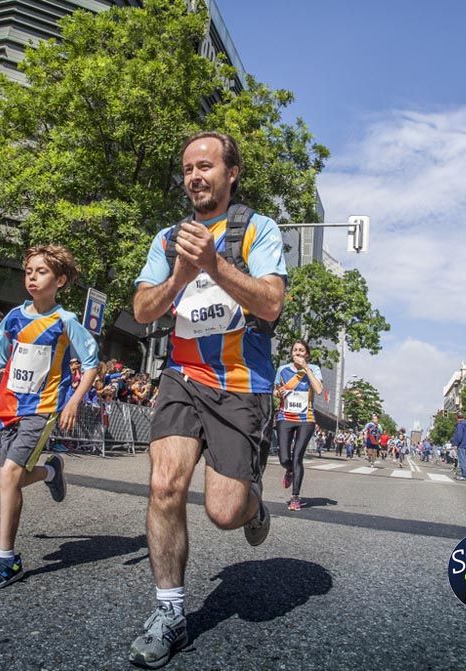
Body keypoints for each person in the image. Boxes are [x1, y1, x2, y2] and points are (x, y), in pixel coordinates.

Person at [127, 131, 286, 668]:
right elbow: (143, 310)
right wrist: (180, 274)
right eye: (188, 169)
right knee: (165, 484)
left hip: (241, 383)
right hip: (182, 375)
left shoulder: (258, 229)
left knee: (225, 512)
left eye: (206, 166)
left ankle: (253, 503)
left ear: (231, 173)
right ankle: (170, 612)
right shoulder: (168, 238)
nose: (195, 176)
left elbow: (271, 304)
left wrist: (216, 266)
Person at [0, 244, 99, 590]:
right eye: (29, 271)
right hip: (9, 407)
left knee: (9, 475)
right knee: (12, 480)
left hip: (42, 408)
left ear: (60, 280)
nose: (32, 278)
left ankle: (6, 559)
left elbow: (91, 364)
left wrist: (73, 401)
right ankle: (51, 471)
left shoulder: (66, 321)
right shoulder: (14, 317)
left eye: (42, 272)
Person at [274, 339, 323, 512]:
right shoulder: (282, 370)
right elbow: (275, 390)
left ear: (306, 354)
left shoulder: (314, 369)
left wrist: (306, 368)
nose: (298, 352)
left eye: (302, 350)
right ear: (291, 353)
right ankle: (289, 470)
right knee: (284, 458)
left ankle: (295, 497)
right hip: (285, 416)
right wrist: (278, 392)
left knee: (297, 458)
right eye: (295, 350)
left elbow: (319, 390)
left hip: (306, 419)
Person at [452, 412, 466, 481]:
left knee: (462, 460)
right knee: (463, 460)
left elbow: (459, 435)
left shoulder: (460, 425)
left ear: (457, 418)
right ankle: (462, 474)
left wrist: (455, 444)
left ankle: (464, 475)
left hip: (461, 444)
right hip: (465, 444)